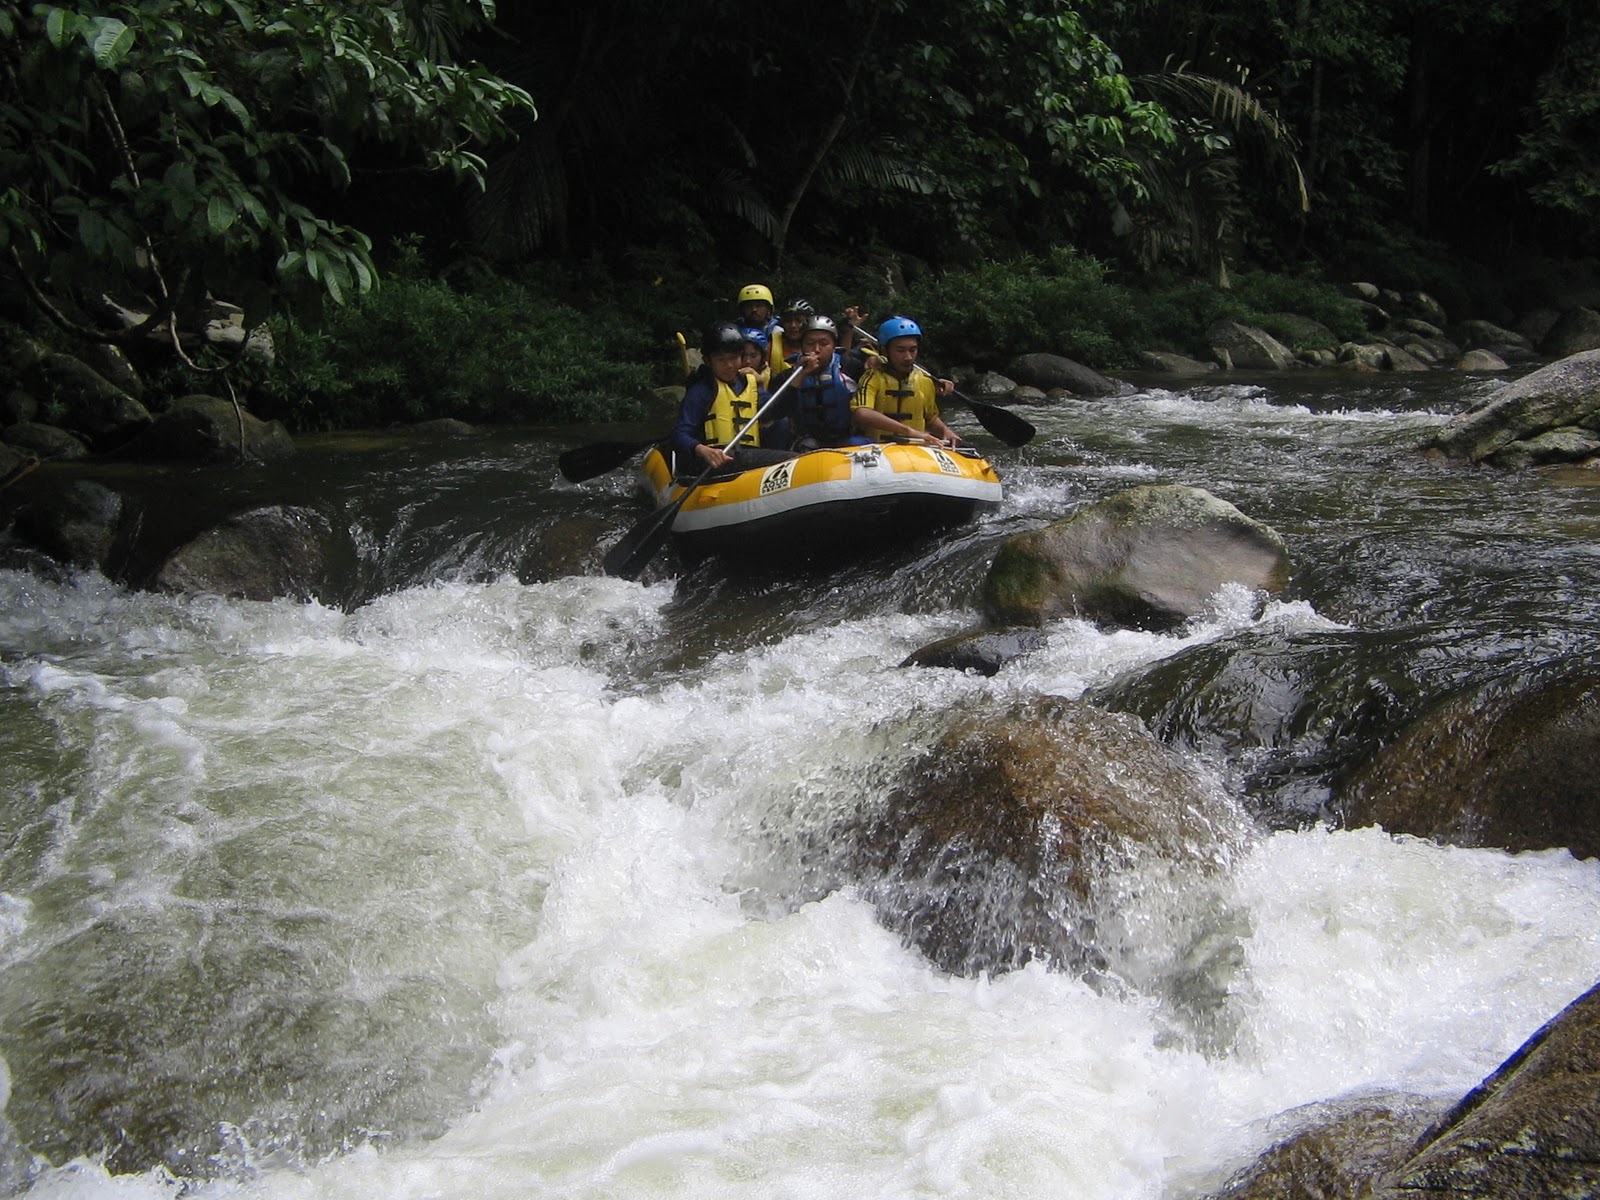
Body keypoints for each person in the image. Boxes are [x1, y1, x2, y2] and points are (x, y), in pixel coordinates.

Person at [670, 322, 794, 473]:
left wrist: (797, 381)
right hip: (715, 461)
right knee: (787, 459)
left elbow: (774, 412)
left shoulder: (750, 384)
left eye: (733, 358)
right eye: (721, 360)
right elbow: (679, 435)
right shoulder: (702, 390)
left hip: (747, 456)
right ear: (709, 361)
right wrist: (702, 450)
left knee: (781, 424)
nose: (729, 365)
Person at [853, 316, 963, 447]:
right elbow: (862, 413)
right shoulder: (872, 378)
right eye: (900, 350)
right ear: (884, 351)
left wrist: (945, 431)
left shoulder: (924, 380)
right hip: (879, 450)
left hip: (917, 450)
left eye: (913, 350)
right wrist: (908, 431)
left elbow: (931, 419)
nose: (908, 357)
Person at [769, 315, 872, 450]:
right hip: (807, 440)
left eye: (824, 343)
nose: (816, 349)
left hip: (846, 438)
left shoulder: (850, 366)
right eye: (810, 343)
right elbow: (776, 413)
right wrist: (800, 375)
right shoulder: (789, 375)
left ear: (834, 345)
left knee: (860, 444)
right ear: (802, 346)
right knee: (807, 446)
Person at [770, 297, 814, 373]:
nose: (793, 325)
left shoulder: (818, 347)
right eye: (788, 321)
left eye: (799, 320)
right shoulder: (771, 347)